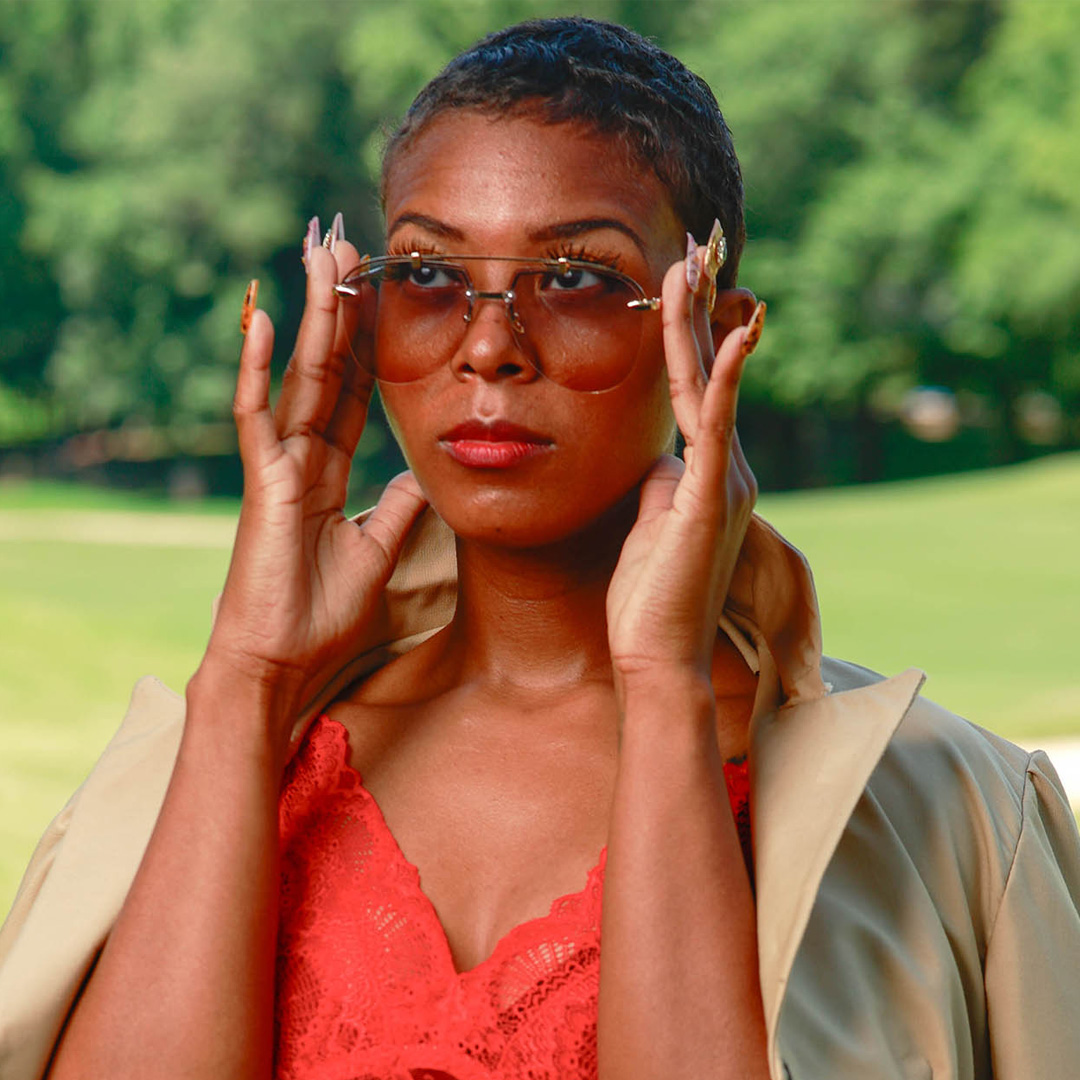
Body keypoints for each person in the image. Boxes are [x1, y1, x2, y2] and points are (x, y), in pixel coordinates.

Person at [2, 16, 1080, 1080]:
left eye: (573, 277)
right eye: (426, 274)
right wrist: (246, 680)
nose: (487, 346)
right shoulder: (196, 776)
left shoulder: (958, 817)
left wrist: (661, 685)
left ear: (712, 329)